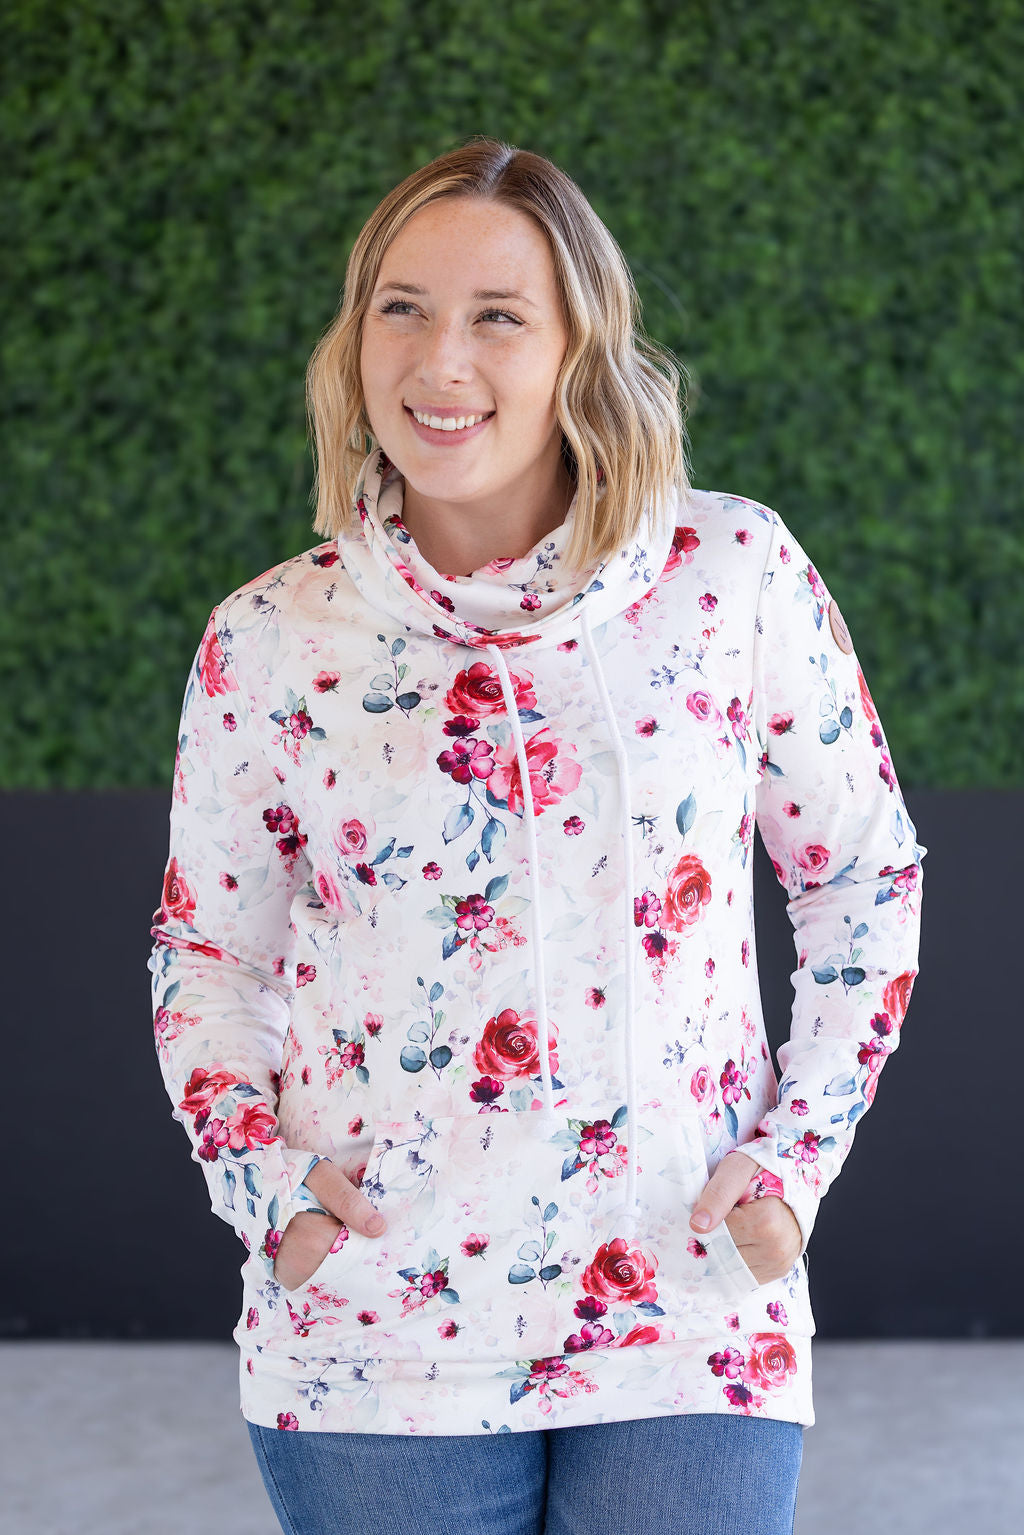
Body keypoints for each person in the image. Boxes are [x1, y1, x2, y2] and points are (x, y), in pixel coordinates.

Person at [149, 136, 925, 1535]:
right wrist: (265, 1188)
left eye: (499, 316)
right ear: (355, 339)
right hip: (377, 1336)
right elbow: (207, 952)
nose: (440, 360)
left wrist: (797, 1153)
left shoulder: (735, 576)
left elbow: (862, 874)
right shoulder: (267, 639)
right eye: (402, 307)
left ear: (581, 351)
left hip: (687, 1307)